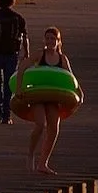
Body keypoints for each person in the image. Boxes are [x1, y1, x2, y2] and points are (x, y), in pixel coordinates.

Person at [25, 26, 73, 175]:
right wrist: (20, 89)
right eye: (48, 38)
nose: (50, 41)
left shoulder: (62, 59)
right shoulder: (40, 55)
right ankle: (31, 154)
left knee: (54, 129)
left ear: (58, 41)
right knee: (40, 125)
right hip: (39, 95)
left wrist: (79, 94)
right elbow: (22, 69)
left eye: (53, 38)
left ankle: (43, 163)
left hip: (53, 97)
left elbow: (71, 79)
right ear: (44, 40)